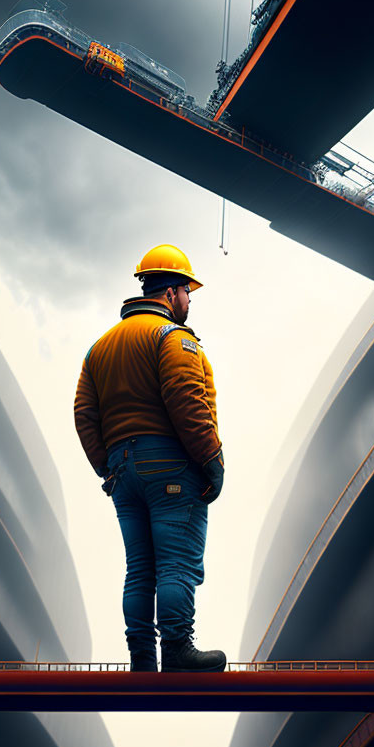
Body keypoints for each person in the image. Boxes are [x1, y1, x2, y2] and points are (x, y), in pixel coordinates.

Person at [74, 244, 226, 673]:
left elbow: (84, 413)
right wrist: (211, 458)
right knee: (176, 562)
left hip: (122, 470)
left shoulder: (98, 348)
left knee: (140, 567)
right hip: (171, 466)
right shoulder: (172, 338)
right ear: (172, 291)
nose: (190, 301)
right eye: (188, 292)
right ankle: (176, 649)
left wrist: (107, 466)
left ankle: (142, 657)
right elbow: (186, 400)